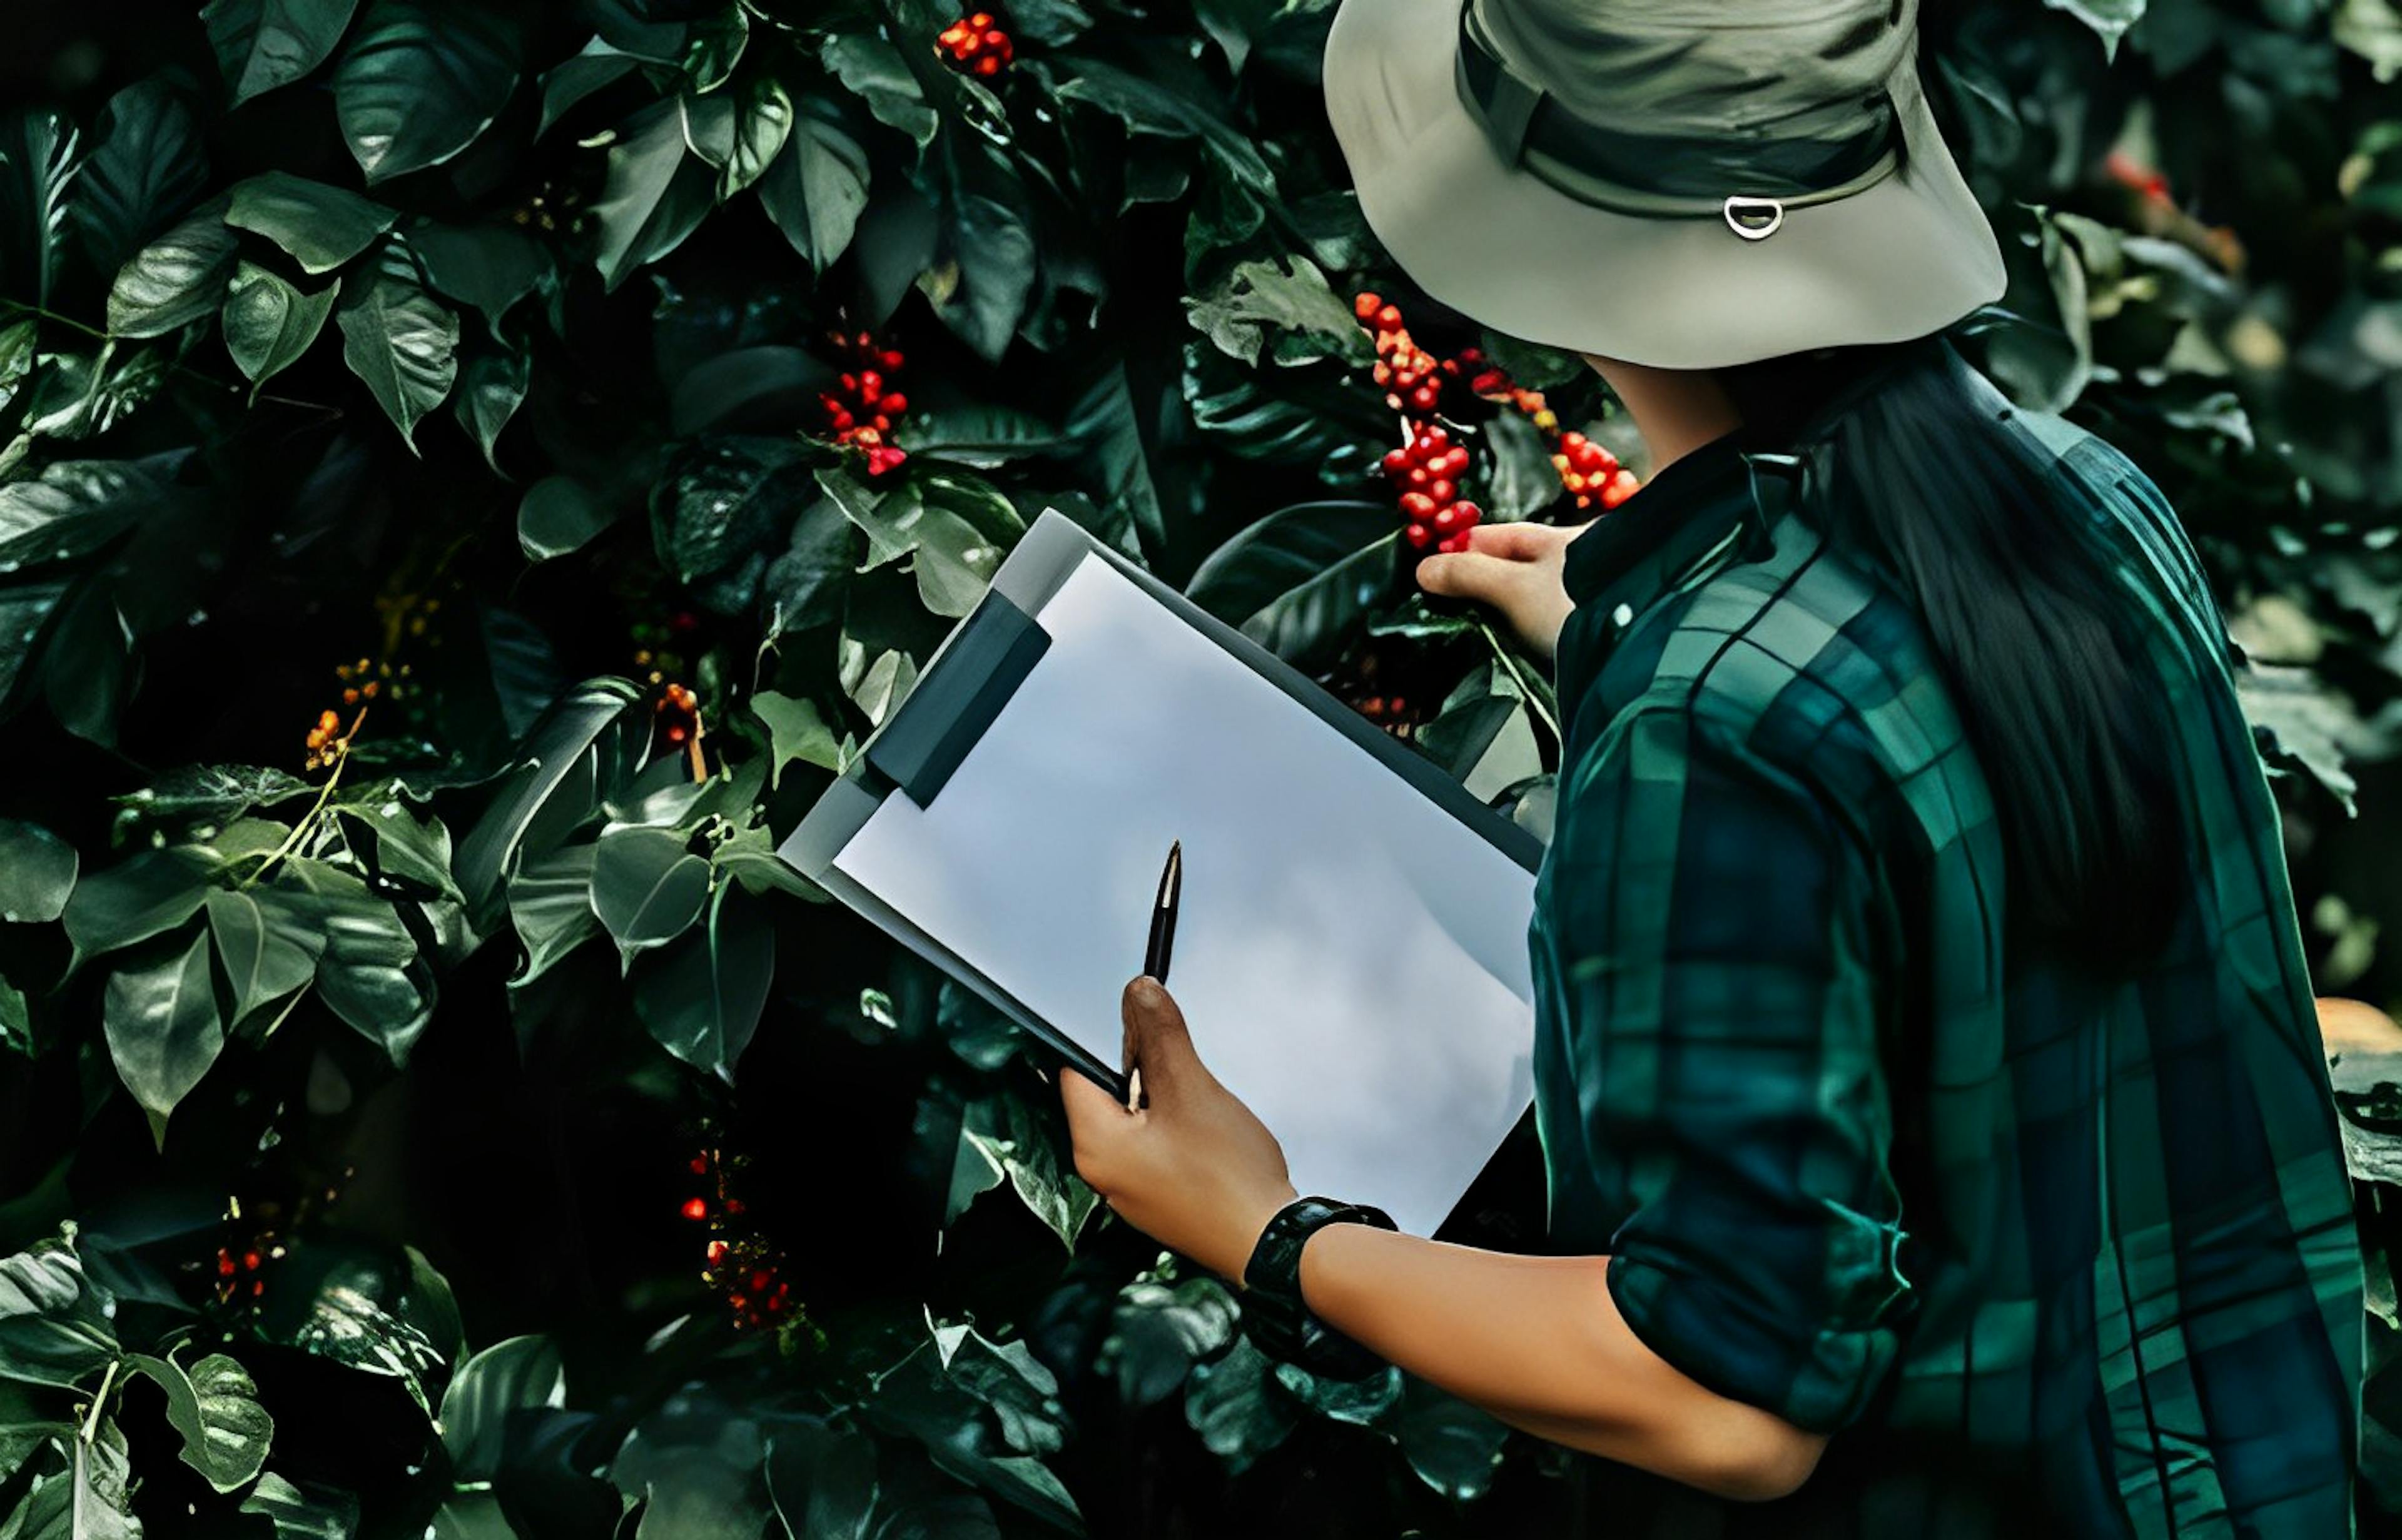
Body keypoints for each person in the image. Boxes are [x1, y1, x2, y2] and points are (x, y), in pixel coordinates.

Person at [1058, 0, 2366, 1533]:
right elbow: (1950, 808)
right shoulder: (2092, 496)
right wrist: (1644, 629)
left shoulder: (1720, 710)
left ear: (1550, 251)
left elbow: (1728, 1394)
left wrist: (1264, 1229)